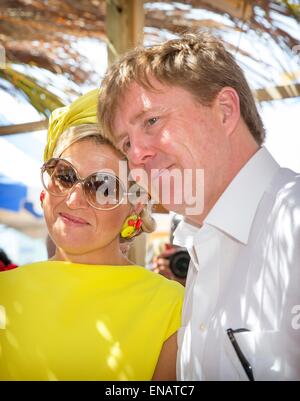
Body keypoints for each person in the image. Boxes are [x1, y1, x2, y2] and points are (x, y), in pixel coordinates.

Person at [98, 32, 300, 380]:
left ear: (224, 111)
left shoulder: (293, 225)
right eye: (126, 142)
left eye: (151, 121)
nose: (136, 155)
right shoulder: (200, 255)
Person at [0, 90, 184, 381]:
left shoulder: (172, 306)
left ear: (135, 204)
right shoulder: (4, 290)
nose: (73, 200)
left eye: (103, 187)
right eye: (65, 176)